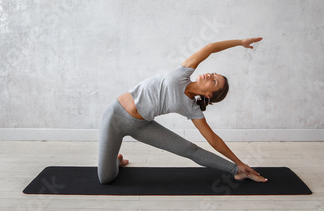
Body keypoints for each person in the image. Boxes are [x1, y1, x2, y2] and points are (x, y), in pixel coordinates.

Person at [98, 38, 268, 184]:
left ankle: (237, 171)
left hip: (141, 126)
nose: (210, 75)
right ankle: (116, 160)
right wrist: (240, 42)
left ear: (209, 94)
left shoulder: (192, 108)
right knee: (105, 178)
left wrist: (238, 163)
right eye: (214, 74)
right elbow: (210, 48)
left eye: (214, 81)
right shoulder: (183, 73)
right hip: (115, 117)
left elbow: (214, 140)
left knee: (189, 149)